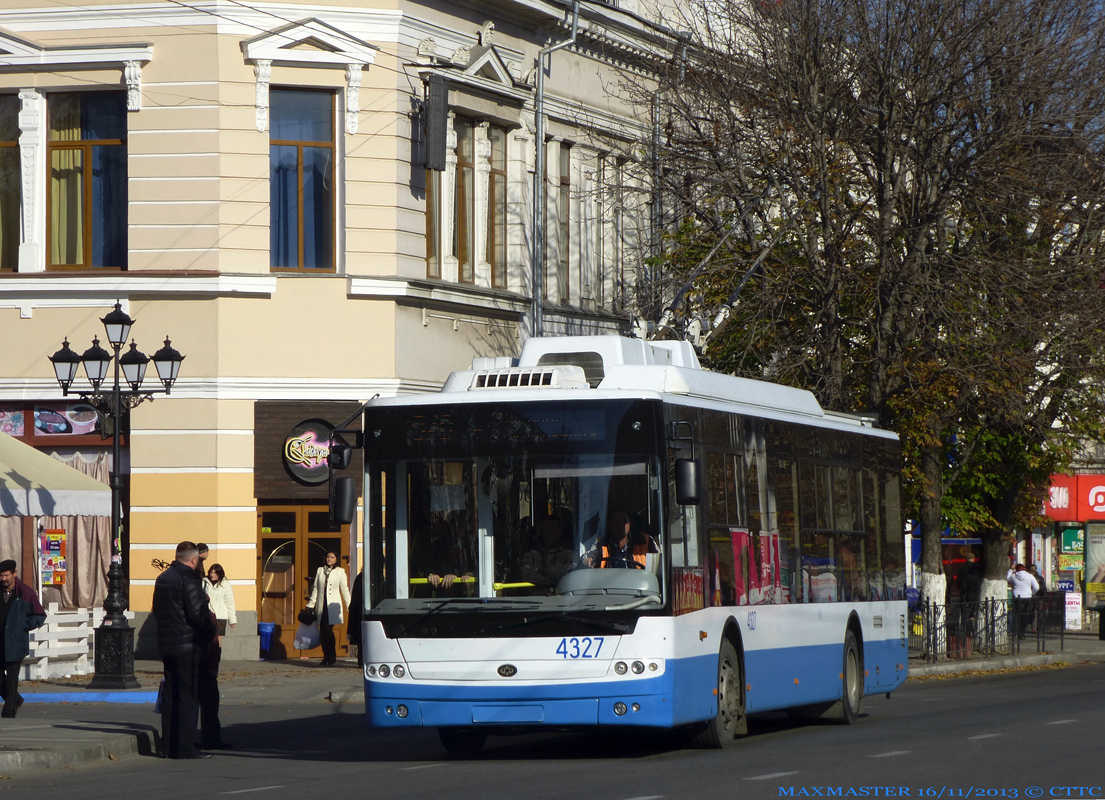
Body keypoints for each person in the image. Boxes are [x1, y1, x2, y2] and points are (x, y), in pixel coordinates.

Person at [153, 541, 217, 759]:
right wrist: (209, 634)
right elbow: (198, 613)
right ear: (194, 559)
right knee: (189, 697)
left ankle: (170, 745)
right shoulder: (189, 579)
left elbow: (156, 610)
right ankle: (186, 747)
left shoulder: (163, 578)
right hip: (188, 645)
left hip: (167, 643)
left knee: (171, 695)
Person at [0, 559, 46, 718]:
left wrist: (23, 625)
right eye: (1, 576)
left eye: (6, 575)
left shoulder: (25, 593)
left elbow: (40, 616)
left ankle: (9, 710)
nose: (3, 579)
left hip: (15, 641)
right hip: (0, 642)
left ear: (14, 574)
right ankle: (16, 700)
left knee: (12, 678)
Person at [198, 564, 235, 750]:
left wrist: (233, 618)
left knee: (217, 640)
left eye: (215, 572)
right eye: (210, 572)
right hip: (209, 616)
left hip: (220, 616)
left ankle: (216, 657)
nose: (212, 574)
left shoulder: (224, 584)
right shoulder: (203, 583)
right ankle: (209, 737)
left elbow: (230, 600)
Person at [307, 551, 351, 666]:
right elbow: (316, 588)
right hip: (322, 606)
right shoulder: (320, 571)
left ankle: (332, 655)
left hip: (333, 607)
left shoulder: (340, 572)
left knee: (328, 630)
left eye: (332, 557)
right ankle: (325, 656)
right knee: (323, 632)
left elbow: (344, 589)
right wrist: (311, 605)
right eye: (328, 557)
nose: (329, 559)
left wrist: (349, 605)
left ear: (336, 559)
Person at [583, 509, 655, 569]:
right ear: (609, 524)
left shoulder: (646, 540)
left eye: (623, 521)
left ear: (630, 522)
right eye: (615, 522)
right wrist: (590, 558)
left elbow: (659, 563)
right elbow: (589, 555)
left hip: (638, 584)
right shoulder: (601, 543)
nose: (620, 524)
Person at [521, 515, 576, 590]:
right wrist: (551, 583)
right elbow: (526, 575)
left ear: (560, 531)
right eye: (545, 529)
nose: (549, 533)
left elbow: (571, 573)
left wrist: (542, 570)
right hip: (536, 597)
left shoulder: (568, 554)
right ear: (541, 531)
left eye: (553, 529)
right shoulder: (532, 554)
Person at [1006, 563, 1039, 641]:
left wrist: (1011, 569)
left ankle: (1016, 632)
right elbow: (1036, 587)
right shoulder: (1030, 576)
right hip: (1027, 598)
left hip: (1017, 597)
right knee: (1025, 616)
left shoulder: (1013, 576)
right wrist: (1031, 593)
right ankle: (1022, 633)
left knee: (1017, 615)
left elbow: (1007, 578)